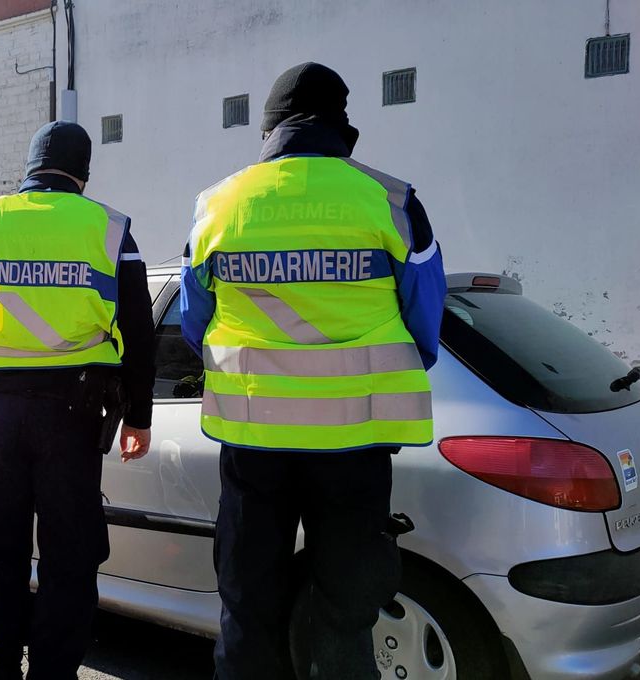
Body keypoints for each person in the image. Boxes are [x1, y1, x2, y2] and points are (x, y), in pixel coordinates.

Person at [180, 63, 447, 679]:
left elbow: (197, 323)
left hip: (253, 442)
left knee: (248, 609)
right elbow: (425, 322)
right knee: (346, 613)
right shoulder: (393, 201)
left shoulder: (217, 206)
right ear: (341, 125)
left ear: (271, 128)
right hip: (355, 447)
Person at [0, 121, 156, 680]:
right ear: (82, 173)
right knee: (69, 558)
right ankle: (54, 672)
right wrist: (139, 415)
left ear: (28, 169)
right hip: (73, 417)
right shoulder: (107, 229)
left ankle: (1, 664)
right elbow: (137, 328)